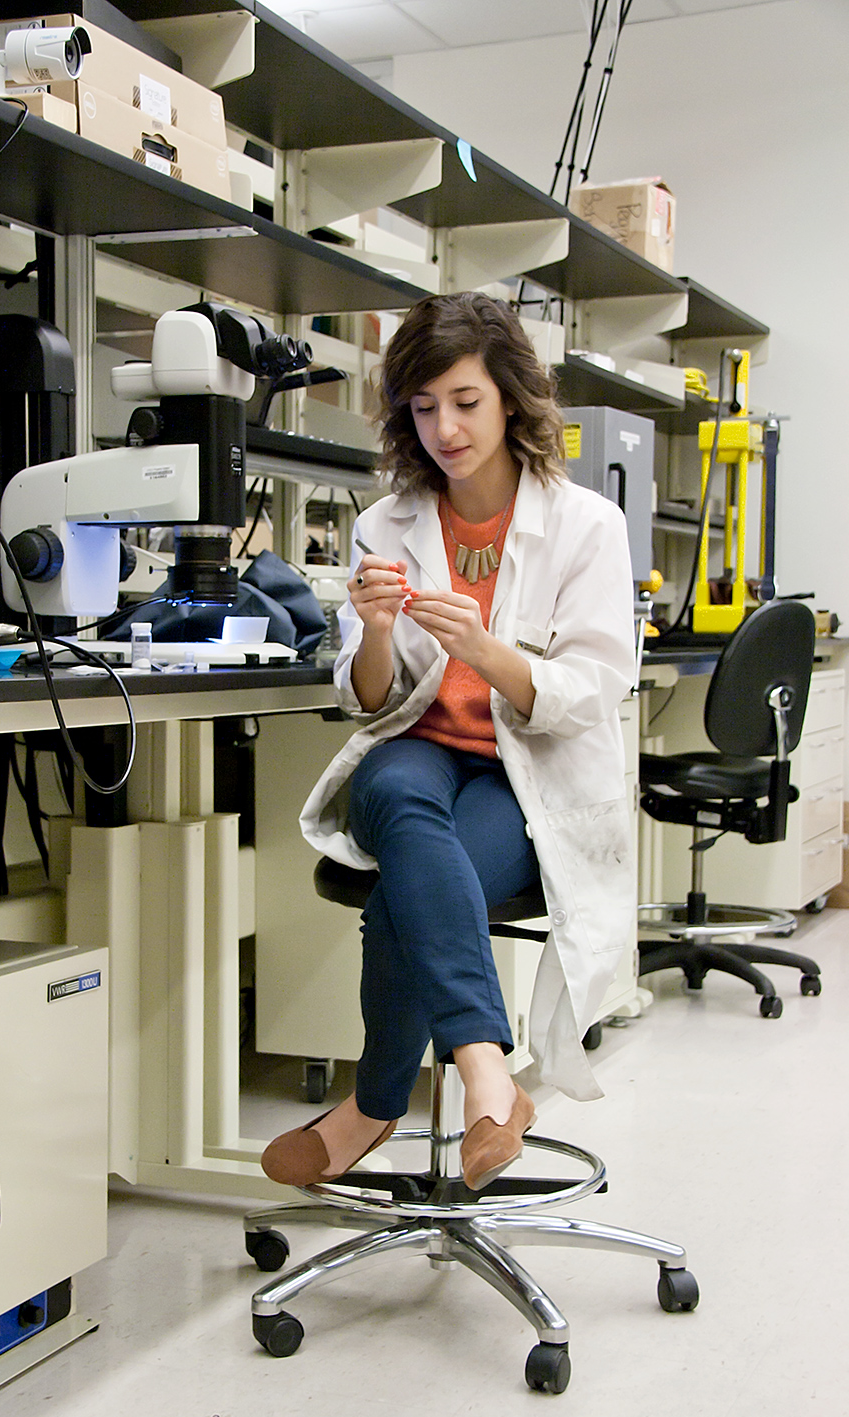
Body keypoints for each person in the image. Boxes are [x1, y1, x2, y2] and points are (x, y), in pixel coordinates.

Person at [262, 291, 636, 1193]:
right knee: (387, 785)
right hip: (423, 748)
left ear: (510, 397)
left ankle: (373, 1104)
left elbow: (594, 688)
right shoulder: (386, 523)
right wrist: (379, 629)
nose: (445, 429)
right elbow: (369, 698)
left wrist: (486, 650)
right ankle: (487, 1079)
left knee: (412, 891)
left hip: (529, 767)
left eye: (465, 402)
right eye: (423, 408)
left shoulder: (587, 525)